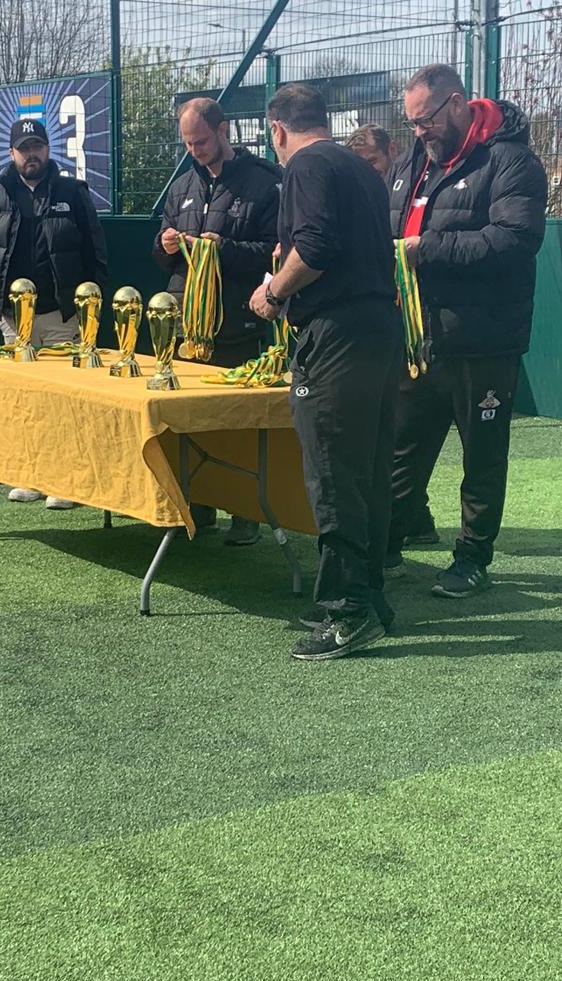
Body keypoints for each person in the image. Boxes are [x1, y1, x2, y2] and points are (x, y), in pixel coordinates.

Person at [250, 83, 402, 661]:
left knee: (334, 473)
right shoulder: (360, 168)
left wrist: (273, 292)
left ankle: (348, 611)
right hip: (377, 331)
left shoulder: (306, 166)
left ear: (277, 130)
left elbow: (313, 247)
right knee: (367, 470)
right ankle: (370, 598)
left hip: (335, 334)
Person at [384, 64, 547, 596]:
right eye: (412, 122)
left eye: (426, 119)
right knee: (402, 447)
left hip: (483, 341)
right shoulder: (413, 161)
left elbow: (515, 240)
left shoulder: (511, 161)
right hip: (419, 337)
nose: (419, 131)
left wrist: (425, 249)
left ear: (456, 103)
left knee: (482, 457)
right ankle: (386, 543)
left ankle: (472, 558)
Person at [153, 97, 282, 546]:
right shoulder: (182, 184)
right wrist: (166, 245)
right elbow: (162, 257)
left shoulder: (264, 182)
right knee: (188, 423)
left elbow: (275, 252)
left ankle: (246, 513)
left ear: (223, 130)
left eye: (201, 141)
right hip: (188, 325)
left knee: (237, 425)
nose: (195, 150)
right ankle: (197, 506)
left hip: (237, 324)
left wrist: (222, 248)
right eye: (188, 143)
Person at [0, 118, 108, 509]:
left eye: (37, 147)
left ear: (48, 150)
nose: (31, 155)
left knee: (64, 402)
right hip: (15, 320)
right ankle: (31, 475)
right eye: (24, 148)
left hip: (62, 316)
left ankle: (67, 482)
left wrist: (87, 310)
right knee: (24, 403)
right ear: (12, 153)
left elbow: (95, 252)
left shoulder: (72, 192)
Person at [345, 123, 440, 547]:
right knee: (397, 430)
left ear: (392, 151)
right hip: (391, 321)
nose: (370, 171)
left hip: (422, 323)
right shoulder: (371, 192)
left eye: (374, 162)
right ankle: (415, 518)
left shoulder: (408, 183)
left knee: (403, 430)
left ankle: (408, 520)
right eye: (362, 165)